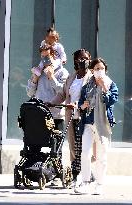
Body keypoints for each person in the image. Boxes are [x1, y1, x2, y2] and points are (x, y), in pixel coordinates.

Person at [75, 58, 118, 195]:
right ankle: (85, 181)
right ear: (92, 71)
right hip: (88, 122)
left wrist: (104, 86)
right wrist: (82, 106)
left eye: (102, 69)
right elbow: (80, 104)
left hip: (102, 123)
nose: (99, 71)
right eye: (97, 69)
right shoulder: (86, 86)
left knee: (102, 155)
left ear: (105, 70)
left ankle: (100, 183)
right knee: (85, 153)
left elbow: (112, 100)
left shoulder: (110, 84)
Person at [50, 48, 93, 186]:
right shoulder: (71, 77)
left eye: (86, 58)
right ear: (75, 61)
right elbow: (62, 94)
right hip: (71, 117)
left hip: (85, 117)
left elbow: (93, 97)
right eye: (80, 59)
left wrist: (78, 105)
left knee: (84, 148)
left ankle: (83, 175)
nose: (83, 61)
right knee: (74, 147)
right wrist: (51, 103)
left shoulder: (92, 78)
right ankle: (78, 175)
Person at [27, 44, 69, 135]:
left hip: (56, 116)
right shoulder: (39, 71)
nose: (45, 59)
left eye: (47, 56)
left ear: (53, 55)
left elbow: (62, 92)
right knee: (35, 145)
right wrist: (34, 79)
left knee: (56, 147)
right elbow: (30, 93)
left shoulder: (62, 72)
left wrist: (51, 77)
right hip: (39, 114)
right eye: (42, 56)